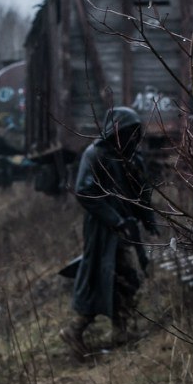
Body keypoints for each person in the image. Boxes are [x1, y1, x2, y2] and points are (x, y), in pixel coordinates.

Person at [59, 106, 157, 362]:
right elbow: (85, 192)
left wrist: (148, 220)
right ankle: (76, 330)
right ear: (115, 131)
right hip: (103, 231)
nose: (132, 138)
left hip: (126, 228)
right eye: (127, 132)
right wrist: (115, 220)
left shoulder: (132, 156)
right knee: (103, 277)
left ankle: (121, 330)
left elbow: (141, 191)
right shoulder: (96, 154)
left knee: (125, 278)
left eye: (135, 133)